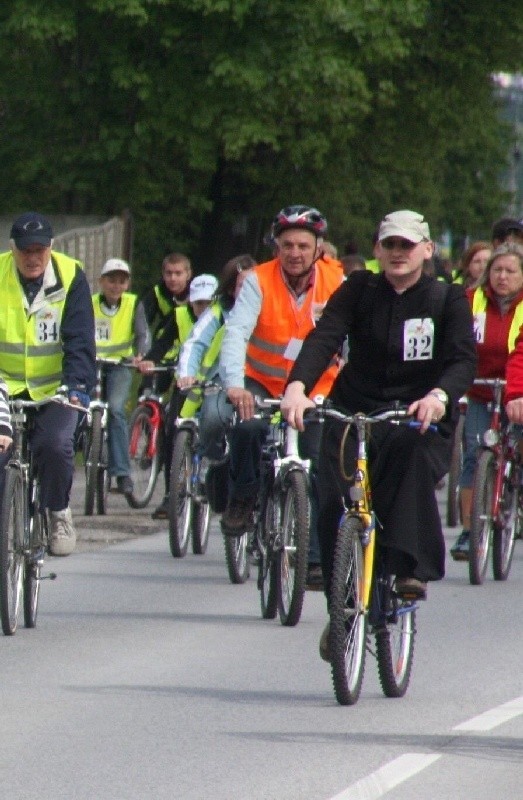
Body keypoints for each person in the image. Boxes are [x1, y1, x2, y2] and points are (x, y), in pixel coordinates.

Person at [280, 209, 477, 658]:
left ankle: (410, 568)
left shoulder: (448, 300)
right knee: (333, 497)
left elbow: (462, 360)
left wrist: (439, 397)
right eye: (389, 244)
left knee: (408, 457)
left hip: (416, 413)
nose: (397, 253)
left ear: (426, 249)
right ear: (377, 250)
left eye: (407, 245)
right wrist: (297, 388)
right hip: (356, 410)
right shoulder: (359, 289)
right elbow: (325, 336)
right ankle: (341, 608)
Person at [218, 205, 344, 588]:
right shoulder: (258, 280)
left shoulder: (336, 282)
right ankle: (242, 493)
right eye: (287, 244)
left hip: (314, 388)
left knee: (319, 465)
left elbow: (354, 337)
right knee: (246, 428)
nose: (294, 253)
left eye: (303, 245)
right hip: (261, 381)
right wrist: (235, 384)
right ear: (276, 245)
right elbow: (237, 332)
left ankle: (315, 559)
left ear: (318, 247)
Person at [0, 212, 96, 556]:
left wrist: (75, 388)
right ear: (13, 249)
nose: (32, 257)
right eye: (26, 250)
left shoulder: (70, 275)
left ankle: (58, 511)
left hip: (55, 387)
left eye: (40, 250)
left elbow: (81, 339)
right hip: (3, 387)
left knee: (55, 445)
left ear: (51, 248)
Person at [450, 243, 523, 559]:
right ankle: (470, 530)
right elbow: (455, 342)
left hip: (518, 391)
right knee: (474, 456)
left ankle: (514, 500)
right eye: (497, 270)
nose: (502, 277)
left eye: (510, 271)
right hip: (481, 390)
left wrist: (517, 394)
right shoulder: (471, 301)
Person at [138, 273, 218, 518]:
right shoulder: (179, 316)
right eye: (198, 303)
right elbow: (163, 343)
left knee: (217, 430)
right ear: (190, 302)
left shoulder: (224, 318)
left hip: (214, 386)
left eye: (207, 303)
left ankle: (212, 481)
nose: (202, 308)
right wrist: (149, 360)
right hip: (185, 385)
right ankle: (170, 494)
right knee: (173, 435)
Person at [177, 254, 257, 458]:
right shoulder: (218, 311)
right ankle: (210, 461)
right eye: (242, 286)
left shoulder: (269, 308)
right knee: (213, 418)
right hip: (223, 380)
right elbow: (194, 343)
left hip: (261, 378)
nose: (249, 291)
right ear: (231, 289)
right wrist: (187, 373)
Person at [93, 257, 150, 495]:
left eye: (121, 281)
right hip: (92, 364)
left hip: (120, 365)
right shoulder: (89, 303)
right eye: (111, 281)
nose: (115, 286)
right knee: (77, 406)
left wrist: (140, 355)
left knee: (116, 409)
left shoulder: (133, 304)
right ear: (101, 282)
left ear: (127, 284)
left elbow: (142, 335)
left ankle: (121, 473)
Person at [139, 252, 192, 394]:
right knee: (148, 391)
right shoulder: (157, 292)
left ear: (188, 274)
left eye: (178, 273)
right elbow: (142, 323)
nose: (173, 278)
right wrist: (142, 352)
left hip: (189, 348)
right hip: (163, 348)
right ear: (163, 274)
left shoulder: (197, 294)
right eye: (169, 273)